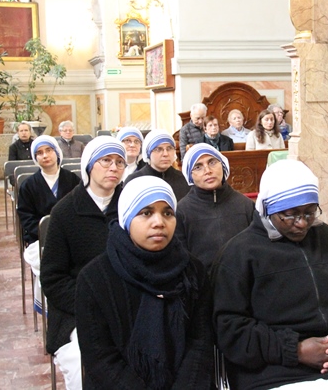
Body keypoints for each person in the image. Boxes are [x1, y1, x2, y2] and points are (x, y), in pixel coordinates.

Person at [212, 160, 328, 390]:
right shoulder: (238, 254)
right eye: (290, 215)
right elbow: (230, 329)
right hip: (275, 373)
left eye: (310, 212)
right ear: (267, 209)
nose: (302, 223)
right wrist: (296, 350)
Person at [76, 176, 214, 389]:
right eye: (146, 213)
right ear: (127, 217)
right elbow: (100, 358)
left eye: (167, 213)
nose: (159, 222)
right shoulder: (95, 277)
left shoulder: (193, 271)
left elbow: (200, 342)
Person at [40, 136, 126, 390]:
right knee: (84, 364)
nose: (113, 167)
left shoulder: (130, 207)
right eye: (106, 160)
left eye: (119, 162)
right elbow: (53, 278)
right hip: (78, 312)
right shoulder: (64, 212)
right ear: (89, 165)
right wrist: (92, 304)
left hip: (129, 306)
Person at [18, 135, 81, 318]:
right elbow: (26, 217)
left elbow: (79, 210)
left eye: (48, 150)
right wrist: (45, 235)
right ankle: (51, 309)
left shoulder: (73, 180)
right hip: (40, 240)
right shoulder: (29, 185)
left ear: (57, 153)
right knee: (48, 265)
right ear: (35, 158)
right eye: (39, 153)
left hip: (71, 238)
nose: (45, 155)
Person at [175, 144, 254, 268]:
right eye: (198, 167)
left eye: (212, 162)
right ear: (190, 174)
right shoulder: (182, 211)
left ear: (223, 165)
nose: (208, 171)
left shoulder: (246, 205)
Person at [124, 129, 190, 201]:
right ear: (148, 153)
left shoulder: (183, 179)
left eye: (169, 148)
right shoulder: (134, 181)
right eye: (158, 149)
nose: (165, 154)